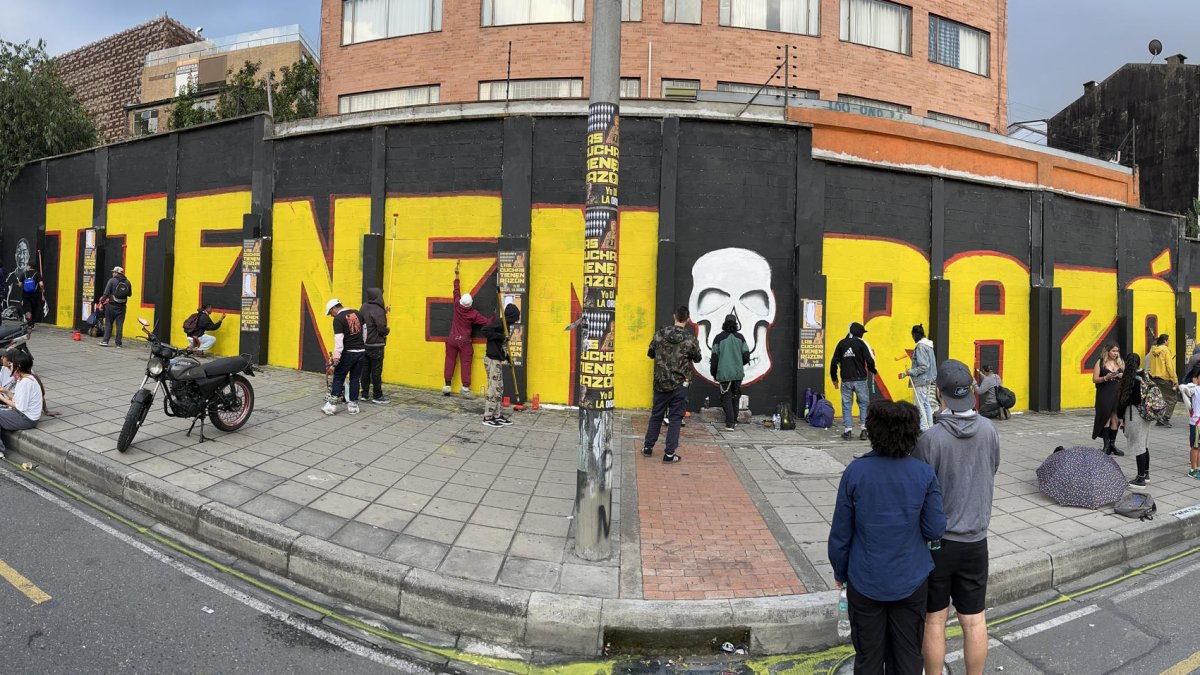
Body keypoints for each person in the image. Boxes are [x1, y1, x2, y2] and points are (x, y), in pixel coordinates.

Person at [829, 400, 946, 675]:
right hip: (911, 578)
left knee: (868, 657)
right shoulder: (924, 474)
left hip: (865, 578)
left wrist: (840, 571)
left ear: (872, 431)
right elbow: (934, 529)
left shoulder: (855, 473)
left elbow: (841, 534)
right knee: (907, 657)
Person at [913, 359, 1000, 675]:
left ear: (939, 393)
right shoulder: (990, 431)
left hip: (939, 543)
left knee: (934, 618)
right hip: (977, 540)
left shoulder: (930, 439)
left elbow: (919, 489)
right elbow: (992, 469)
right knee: (974, 618)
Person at [641, 305, 703, 463]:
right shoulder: (690, 339)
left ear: (674, 316)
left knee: (656, 416)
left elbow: (650, 353)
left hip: (660, 382)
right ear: (688, 320)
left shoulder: (660, 333)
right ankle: (669, 454)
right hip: (680, 384)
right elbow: (697, 359)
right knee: (675, 418)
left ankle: (648, 447)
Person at [444, 262, 490, 397]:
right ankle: (465, 388)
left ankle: (447, 385)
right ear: (471, 304)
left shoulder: (457, 306)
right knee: (466, 362)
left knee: (450, 360)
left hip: (452, 338)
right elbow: (486, 322)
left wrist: (457, 276)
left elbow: (456, 290)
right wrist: (494, 318)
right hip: (464, 341)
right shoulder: (473, 314)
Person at [831, 322, 877, 441]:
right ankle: (863, 430)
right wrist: (873, 370)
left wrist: (834, 378)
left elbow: (833, 362)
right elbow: (870, 360)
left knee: (846, 405)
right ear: (860, 333)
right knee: (863, 404)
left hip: (846, 380)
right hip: (860, 379)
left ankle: (848, 431)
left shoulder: (841, 343)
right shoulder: (862, 344)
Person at [321, 298, 366, 416]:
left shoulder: (338, 319)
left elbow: (339, 340)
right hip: (361, 351)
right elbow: (365, 333)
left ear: (334, 308)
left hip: (347, 353)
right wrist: (362, 346)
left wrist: (336, 356)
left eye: (330, 313)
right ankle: (353, 406)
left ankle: (331, 406)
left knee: (339, 377)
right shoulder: (358, 314)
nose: (331, 315)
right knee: (355, 379)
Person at [480, 302, 520, 427]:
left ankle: (496, 415)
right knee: (493, 388)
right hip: (492, 360)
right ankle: (488, 417)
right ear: (512, 317)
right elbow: (484, 330)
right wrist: (501, 336)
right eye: (515, 318)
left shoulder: (506, 325)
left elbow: (502, 346)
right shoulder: (500, 323)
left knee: (499, 388)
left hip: (497, 359)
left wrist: (507, 358)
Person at [1117, 353, 1153, 487]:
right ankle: (1146, 474)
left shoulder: (1130, 378)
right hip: (1146, 414)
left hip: (1134, 415)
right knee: (1144, 444)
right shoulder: (1144, 375)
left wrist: (1121, 417)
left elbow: (1123, 401)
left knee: (1139, 447)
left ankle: (1140, 479)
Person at [709, 312, 749, 432]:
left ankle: (730, 423)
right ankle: (734, 421)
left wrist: (714, 372)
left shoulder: (718, 338)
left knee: (726, 397)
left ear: (724, 324)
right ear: (736, 324)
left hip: (724, 373)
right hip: (737, 373)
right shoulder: (740, 338)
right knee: (735, 396)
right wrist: (738, 364)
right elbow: (746, 356)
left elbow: (714, 358)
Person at [0, 350, 41, 460]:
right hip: (24, 415)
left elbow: (19, 407)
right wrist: (6, 391)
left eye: (10, 366)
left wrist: (2, 398)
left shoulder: (25, 382)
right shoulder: (24, 378)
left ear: (17, 367)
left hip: (27, 418)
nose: (9, 368)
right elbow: (18, 399)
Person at [898, 324, 937, 431]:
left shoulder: (920, 347)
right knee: (926, 403)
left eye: (912, 335)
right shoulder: (929, 345)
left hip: (921, 380)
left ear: (915, 334)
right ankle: (929, 427)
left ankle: (924, 428)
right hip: (928, 379)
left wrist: (910, 372)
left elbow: (924, 366)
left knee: (920, 404)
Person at [1092, 343, 1125, 456]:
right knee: (1105, 417)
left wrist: (1121, 376)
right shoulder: (1100, 362)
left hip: (1118, 394)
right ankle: (1106, 446)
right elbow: (1095, 379)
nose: (1115, 353)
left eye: (1117, 351)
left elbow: (1126, 378)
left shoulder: (1120, 362)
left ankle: (1112, 445)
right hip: (1104, 394)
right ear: (1107, 351)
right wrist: (1105, 377)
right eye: (1113, 351)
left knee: (1115, 419)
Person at [360, 287, 390, 404]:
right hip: (376, 345)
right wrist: (387, 330)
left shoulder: (364, 307)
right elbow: (381, 328)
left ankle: (364, 394)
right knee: (376, 372)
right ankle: (377, 396)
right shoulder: (378, 310)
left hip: (365, 344)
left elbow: (369, 318)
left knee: (365, 371)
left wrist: (384, 312)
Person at [1147, 334, 1180, 428]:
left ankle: (1159, 418)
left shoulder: (1153, 350)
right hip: (1164, 378)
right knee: (1172, 398)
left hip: (1154, 378)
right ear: (1165, 341)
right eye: (1168, 340)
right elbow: (1170, 366)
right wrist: (1175, 379)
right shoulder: (1165, 350)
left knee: (1161, 399)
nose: (1169, 342)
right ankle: (1165, 418)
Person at [99, 266, 132, 348]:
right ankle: (118, 344)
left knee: (108, 324)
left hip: (111, 306)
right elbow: (130, 294)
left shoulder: (112, 281)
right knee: (119, 325)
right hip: (122, 307)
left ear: (116, 273)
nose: (112, 273)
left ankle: (105, 341)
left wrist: (101, 302)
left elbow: (106, 293)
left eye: (113, 272)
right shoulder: (127, 282)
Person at [1179, 367, 1200, 479]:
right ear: (1196, 378)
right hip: (1196, 423)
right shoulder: (1194, 389)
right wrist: (1193, 384)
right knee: (1195, 447)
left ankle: (1198, 468)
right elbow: (1182, 387)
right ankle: (1193, 469)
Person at [19, 264, 43, 328]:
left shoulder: (24, 274)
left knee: (27, 309)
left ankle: (29, 322)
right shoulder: (37, 274)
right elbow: (41, 284)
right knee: (34, 308)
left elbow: (20, 285)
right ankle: (32, 323)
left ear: (29, 266)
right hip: (34, 295)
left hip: (25, 294)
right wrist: (42, 290)